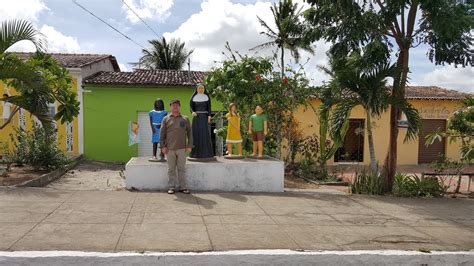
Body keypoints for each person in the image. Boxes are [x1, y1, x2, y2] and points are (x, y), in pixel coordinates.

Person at [160, 98, 193, 194]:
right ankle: (171, 187)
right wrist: (162, 146)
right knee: (171, 169)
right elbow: (162, 134)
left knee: (181, 168)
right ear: (170, 107)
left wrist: (189, 145)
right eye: (173, 105)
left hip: (182, 148)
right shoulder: (166, 119)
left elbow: (190, 133)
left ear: (179, 107)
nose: (175, 107)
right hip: (169, 149)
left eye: (177, 105)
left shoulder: (185, 119)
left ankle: (183, 187)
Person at [189, 84, 214, 159]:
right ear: (196, 89)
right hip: (196, 118)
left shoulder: (207, 97)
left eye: (202, 88)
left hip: (204, 118)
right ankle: (195, 154)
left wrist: (209, 116)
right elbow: (191, 107)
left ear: (204, 89)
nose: (200, 89)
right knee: (196, 133)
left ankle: (206, 153)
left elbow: (209, 107)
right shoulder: (193, 98)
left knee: (205, 134)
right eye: (199, 88)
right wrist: (192, 112)